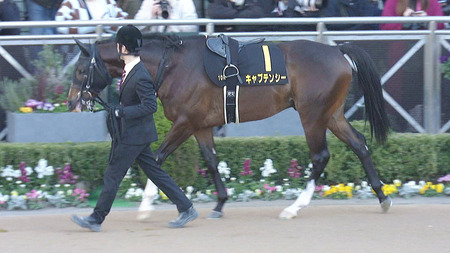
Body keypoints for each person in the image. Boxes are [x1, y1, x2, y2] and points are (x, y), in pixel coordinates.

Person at [71, 24, 198, 232]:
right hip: (136, 134)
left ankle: (96, 218)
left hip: (133, 135)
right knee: (155, 173)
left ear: (122, 48)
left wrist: (122, 112)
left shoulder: (140, 75)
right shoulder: (130, 70)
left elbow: (150, 106)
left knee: (113, 174)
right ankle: (186, 207)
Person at [55, 0, 128, 34]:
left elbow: (125, 23)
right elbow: (61, 27)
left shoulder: (109, 2)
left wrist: (106, 24)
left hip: (108, 52)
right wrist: (92, 25)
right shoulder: (70, 3)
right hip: (79, 52)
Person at [134, 0, 199, 33]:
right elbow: (135, 27)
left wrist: (171, 17)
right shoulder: (149, 2)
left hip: (179, 44)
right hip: (155, 46)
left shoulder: (185, 2)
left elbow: (192, 29)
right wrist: (151, 16)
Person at [380, 0, 445, 30]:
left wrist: (427, 21)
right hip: (400, 46)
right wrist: (403, 22)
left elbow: (441, 25)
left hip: (427, 47)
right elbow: (384, 26)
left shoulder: (432, 1)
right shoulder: (393, 1)